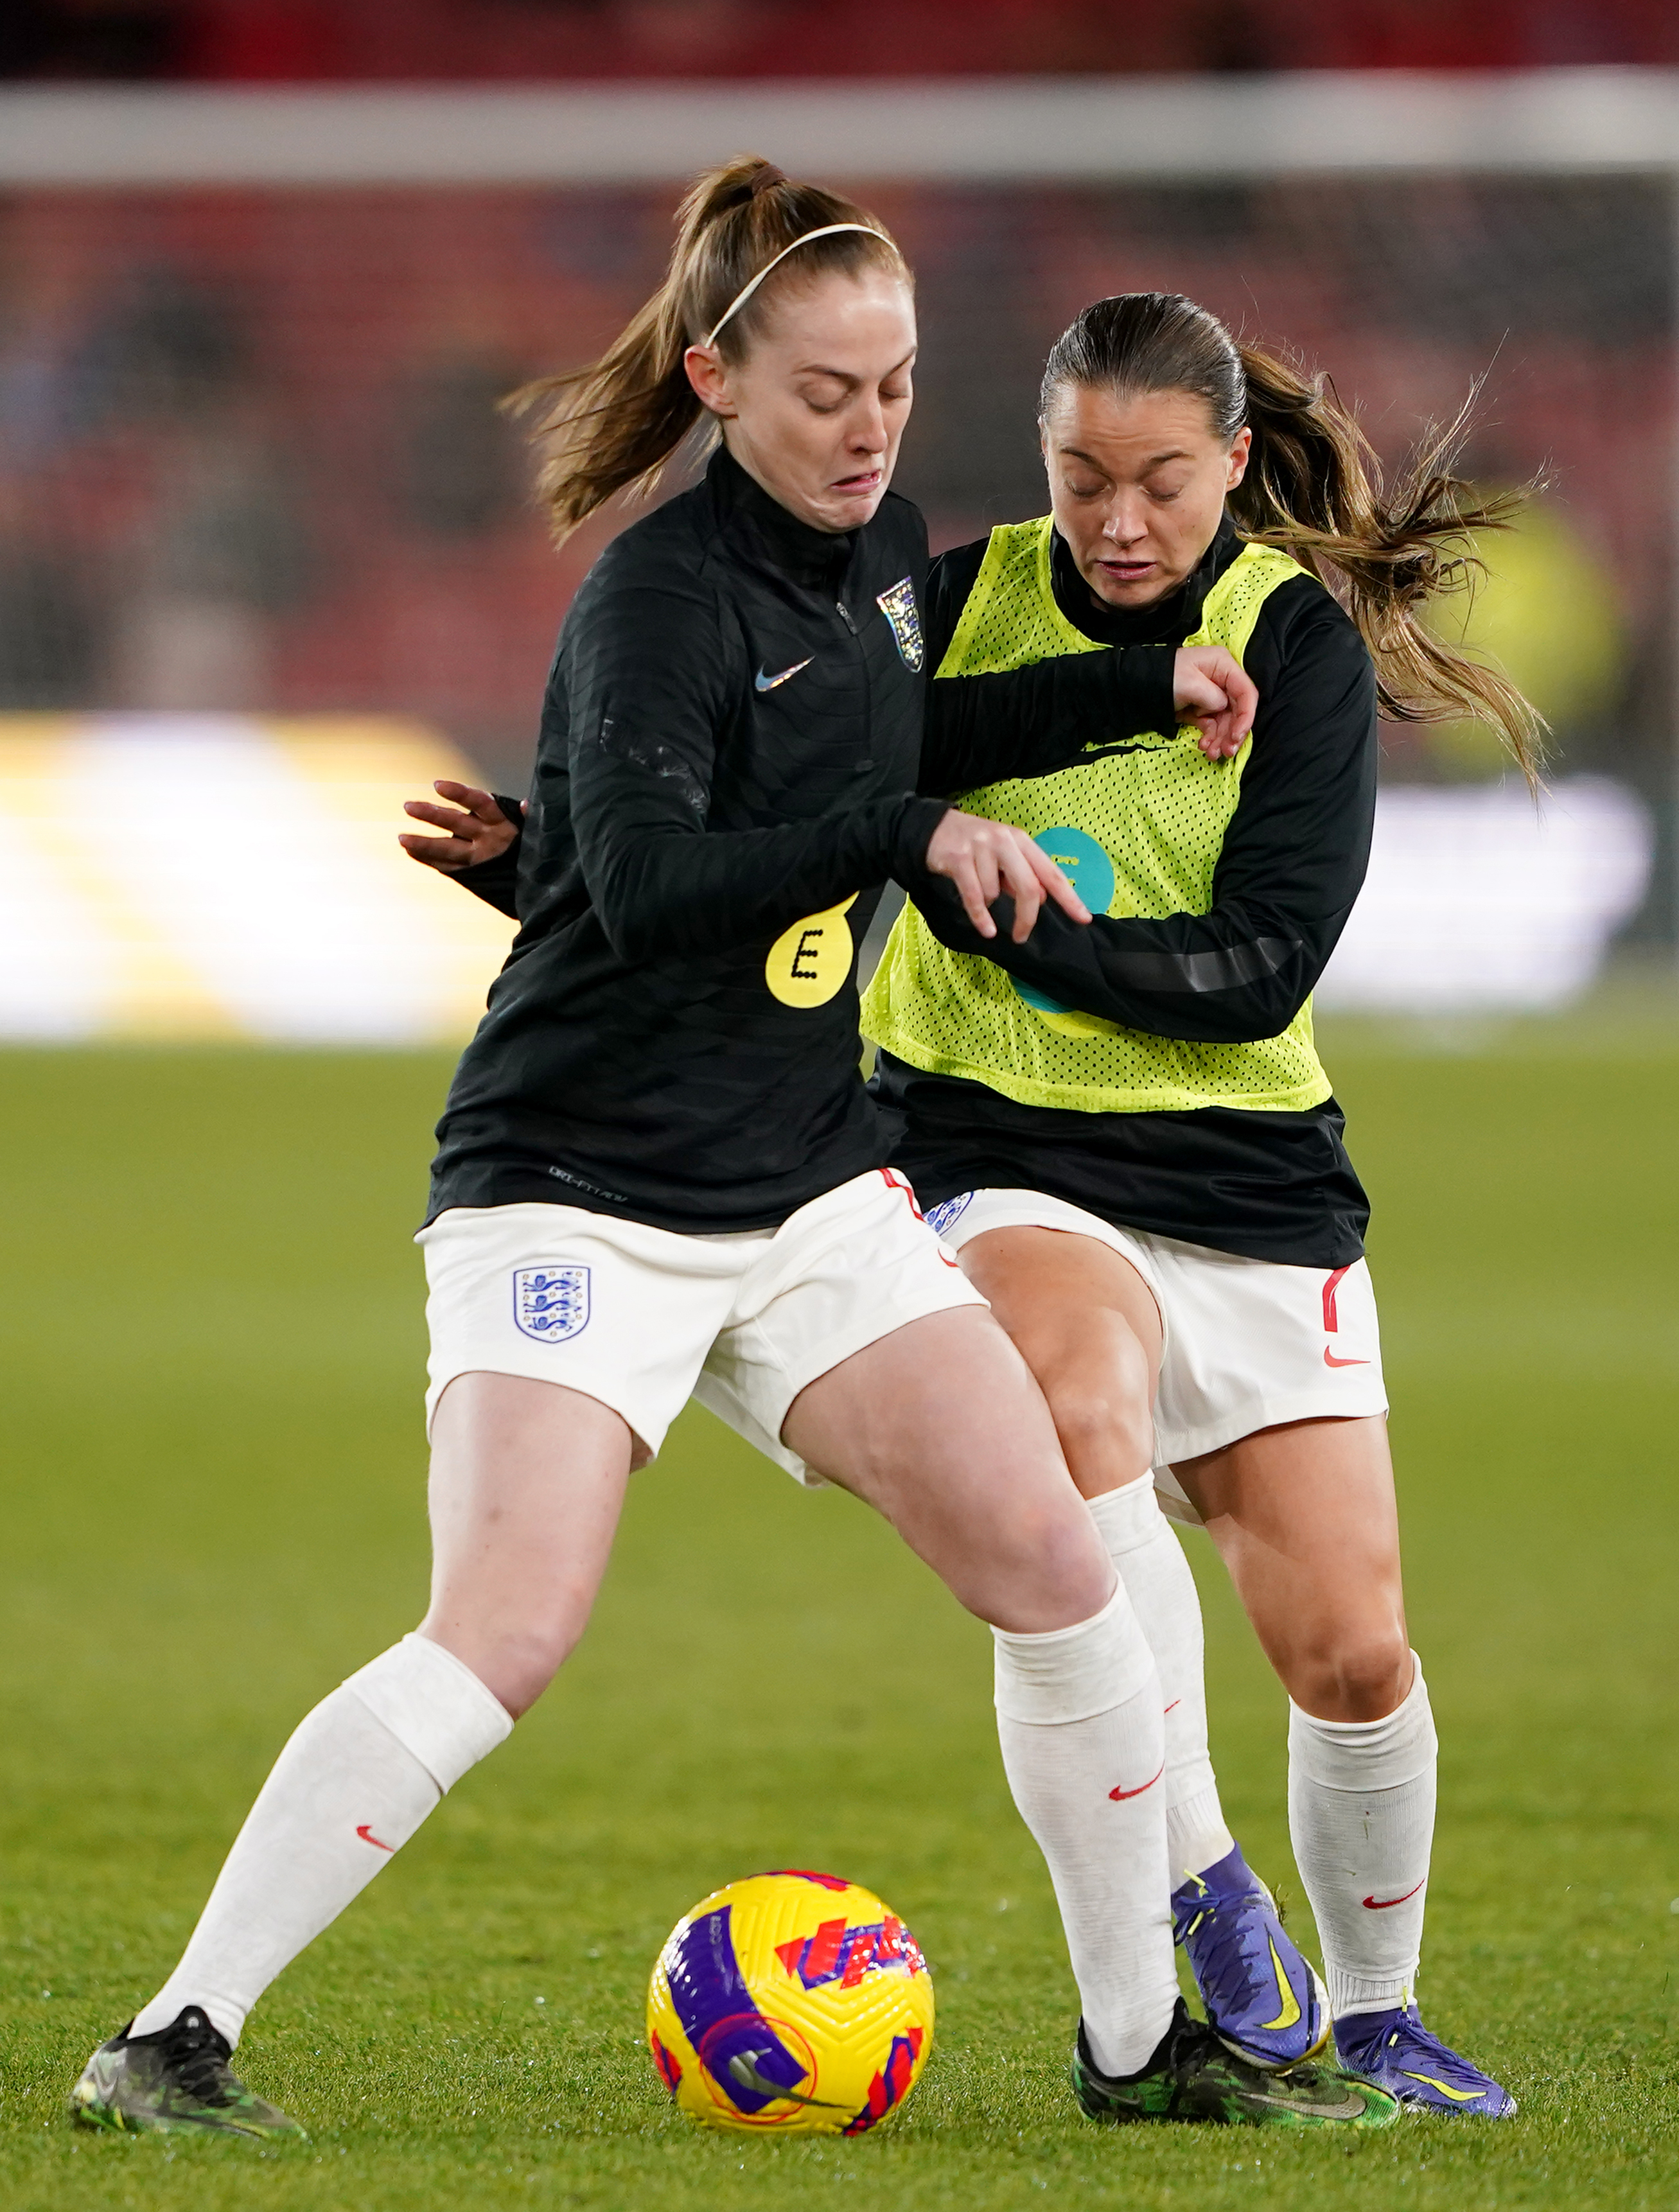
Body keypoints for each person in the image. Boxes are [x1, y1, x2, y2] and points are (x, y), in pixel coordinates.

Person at [70, 171, 1393, 2144]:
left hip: (801, 1192)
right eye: (829, 392)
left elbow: (906, 721)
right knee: (507, 1627)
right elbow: (667, 880)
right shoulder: (658, 598)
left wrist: (1138, 680)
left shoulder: (880, 557)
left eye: (899, 384)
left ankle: (1144, 2050)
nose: (873, 429)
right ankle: (171, 2033)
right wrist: (899, 839)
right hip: (580, 1189)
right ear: (717, 381)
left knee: (1056, 1564)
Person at [858, 292, 1542, 2117]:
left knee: (1354, 1645)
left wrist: (1019, 913)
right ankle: (1200, 1878)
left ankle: (1380, 2012)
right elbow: (841, 774)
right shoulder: (946, 594)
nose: (1120, 521)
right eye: (1082, 479)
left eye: (1163, 479)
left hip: (1248, 1168)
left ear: (1235, 466)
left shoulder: (1293, 646)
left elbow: (1252, 976)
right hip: (1000, 1145)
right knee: (1069, 1427)